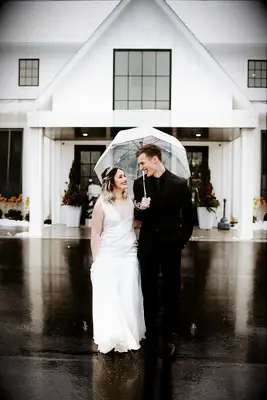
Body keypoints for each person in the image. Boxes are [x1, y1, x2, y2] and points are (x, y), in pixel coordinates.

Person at [133, 144, 195, 357]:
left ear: (154, 159)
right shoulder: (138, 184)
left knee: (171, 289)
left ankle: (170, 335)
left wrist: (180, 241)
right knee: (147, 288)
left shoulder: (179, 184)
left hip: (171, 246)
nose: (141, 167)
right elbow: (138, 218)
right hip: (148, 245)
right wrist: (141, 207)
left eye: (142, 162)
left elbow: (189, 218)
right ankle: (150, 333)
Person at [90, 167, 146, 354]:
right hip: (109, 253)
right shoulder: (101, 204)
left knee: (128, 294)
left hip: (129, 254)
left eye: (125, 176)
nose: (125, 179)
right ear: (111, 181)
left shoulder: (131, 202)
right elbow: (96, 233)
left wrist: (143, 208)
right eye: (120, 176)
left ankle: (129, 333)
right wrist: (97, 260)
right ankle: (112, 334)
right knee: (110, 296)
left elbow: (134, 224)